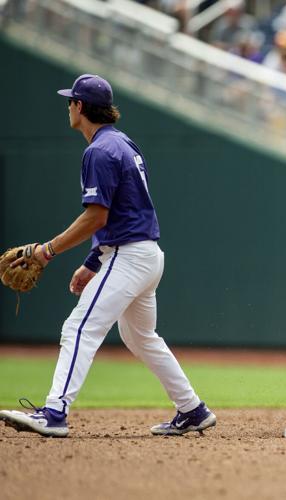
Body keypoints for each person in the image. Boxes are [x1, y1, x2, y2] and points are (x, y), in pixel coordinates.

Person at [0, 74, 216, 438]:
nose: (68, 106)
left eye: (70, 101)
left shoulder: (98, 151)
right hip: (145, 255)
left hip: (129, 256)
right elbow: (121, 212)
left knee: (78, 328)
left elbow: (96, 216)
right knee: (140, 337)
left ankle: (54, 413)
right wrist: (91, 263)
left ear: (80, 106)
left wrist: (46, 251)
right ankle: (192, 409)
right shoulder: (122, 143)